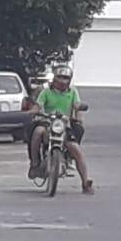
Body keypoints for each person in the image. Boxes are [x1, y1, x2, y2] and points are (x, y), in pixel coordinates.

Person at [28, 66, 94, 194]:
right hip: (47, 122)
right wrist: (31, 112)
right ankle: (35, 163)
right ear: (54, 78)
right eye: (60, 77)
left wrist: (79, 116)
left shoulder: (73, 92)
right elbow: (38, 106)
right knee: (37, 132)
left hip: (64, 125)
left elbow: (77, 107)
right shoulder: (46, 92)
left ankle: (86, 182)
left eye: (66, 78)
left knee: (76, 149)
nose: (63, 81)